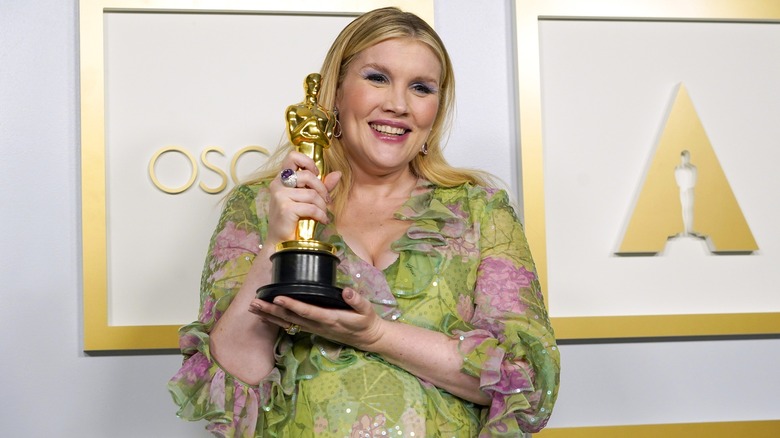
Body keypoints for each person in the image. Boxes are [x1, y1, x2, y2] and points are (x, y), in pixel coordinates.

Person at [168, 7, 560, 437]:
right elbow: (235, 378)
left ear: (436, 110)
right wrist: (278, 242)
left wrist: (373, 334)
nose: (397, 104)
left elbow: (524, 383)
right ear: (335, 92)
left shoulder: (481, 212)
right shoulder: (258, 207)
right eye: (377, 78)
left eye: (421, 88)